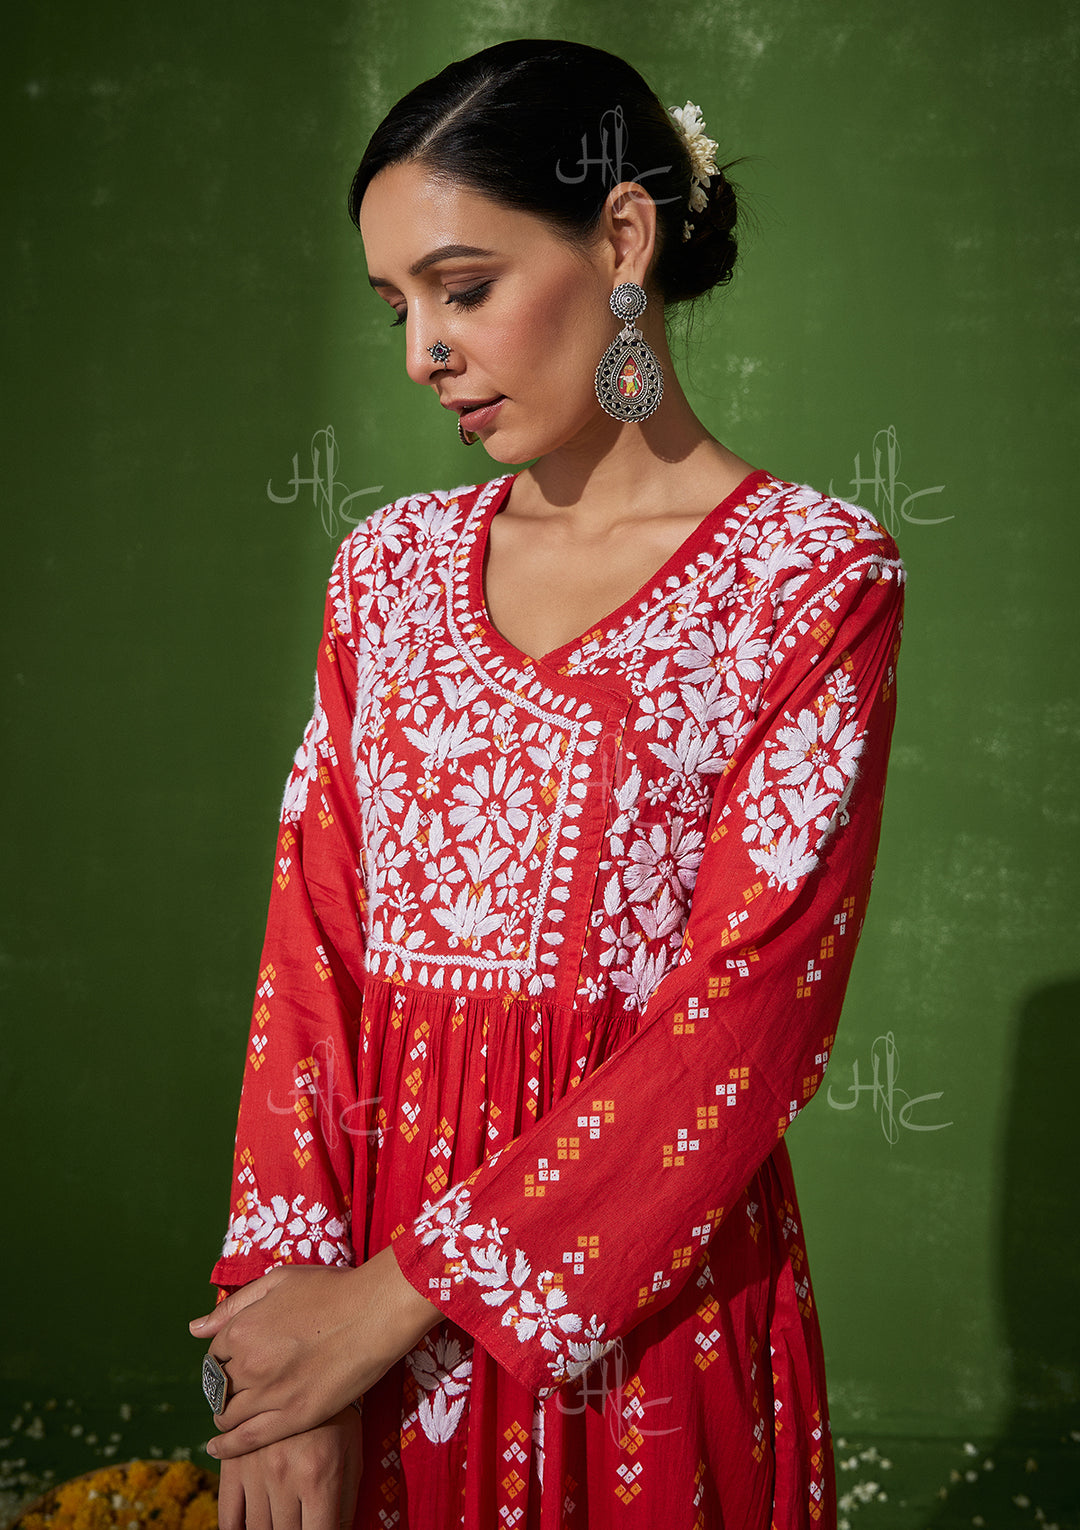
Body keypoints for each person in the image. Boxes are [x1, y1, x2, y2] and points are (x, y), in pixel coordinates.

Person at [188, 37, 905, 1530]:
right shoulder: (385, 575)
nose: (421, 352)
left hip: (644, 1321)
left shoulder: (811, 582)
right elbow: (309, 958)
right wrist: (281, 1352)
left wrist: (397, 1299)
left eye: (462, 288)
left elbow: (749, 1025)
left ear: (623, 240)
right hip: (351, 1308)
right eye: (395, 307)